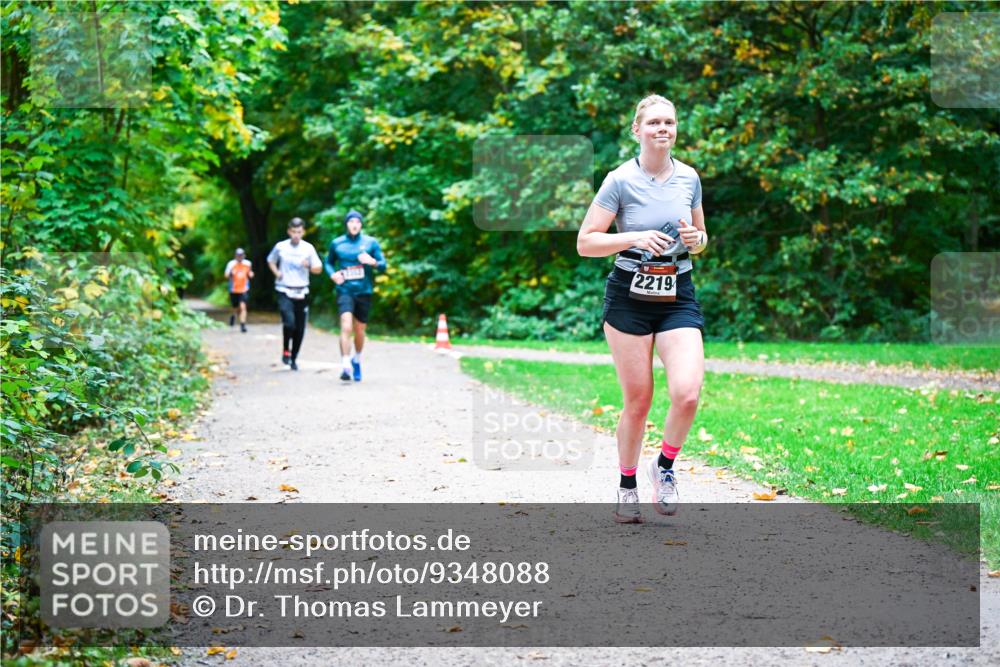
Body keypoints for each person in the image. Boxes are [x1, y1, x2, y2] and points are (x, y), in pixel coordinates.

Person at [576, 94, 709, 524]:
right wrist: (633, 238)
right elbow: (585, 242)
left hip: (677, 293)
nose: (662, 129)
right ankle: (627, 484)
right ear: (637, 130)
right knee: (639, 399)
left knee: (686, 393)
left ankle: (665, 468)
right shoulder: (619, 180)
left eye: (669, 122)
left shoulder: (689, 177)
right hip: (629, 296)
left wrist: (696, 241)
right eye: (653, 122)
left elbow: (702, 237)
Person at [325, 210, 387, 382]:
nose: (354, 225)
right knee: (346, 326)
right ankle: (346, 364)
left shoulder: (370, 242)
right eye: (351, 221)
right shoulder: (337, 243)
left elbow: (383, 265)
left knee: (359, 330)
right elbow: (328, 262)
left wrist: (372, 262)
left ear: (361, 224)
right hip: (345, 290)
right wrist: (332, 275)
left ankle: (357, 359)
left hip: (364, 291)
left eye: (357, 222)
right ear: (346, 224)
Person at [267, 218, 323, 371]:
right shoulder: (281, 247)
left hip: (302, 291)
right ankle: (286, 349)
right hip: (284, 289)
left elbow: (318, 269)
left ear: (303, 232)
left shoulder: (308, 248)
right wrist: (277, 272)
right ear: (289, 231)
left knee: (299, 328)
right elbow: (270, 260)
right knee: (289, 322)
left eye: (299, 232)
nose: (296, 235)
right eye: (293, 232)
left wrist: (309, 265)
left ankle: (294, 357)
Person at [224, 248, 254, 333]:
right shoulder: (231, 264)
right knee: (235, 307)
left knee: (243, 306)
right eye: (238, 255)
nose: (240, 257)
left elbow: (250, 273)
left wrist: (251, 274)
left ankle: (242, 325)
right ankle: (233, 316)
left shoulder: (247, 263)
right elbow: (226, 275)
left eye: (241, 255)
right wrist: (230, 274)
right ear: (235, 256)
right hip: (234, 289)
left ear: (244, 255)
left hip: (244, 289)